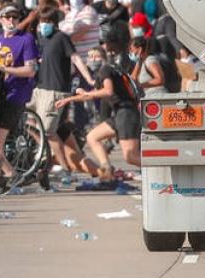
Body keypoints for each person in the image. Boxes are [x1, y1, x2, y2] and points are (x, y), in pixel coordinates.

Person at [55, 45, 141, 181]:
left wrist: (75, 97)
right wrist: (76, 96)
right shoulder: (113, 70)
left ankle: (161, 168)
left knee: (130, 157)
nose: (92, 59)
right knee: (92, 137)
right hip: (122, 113)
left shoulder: (105, 69)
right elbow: (91, 94)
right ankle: (107, 172)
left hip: (126, 113)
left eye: (96, 56)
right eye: (90, 56)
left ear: (104, 57)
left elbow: (108, 91)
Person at [32, 7, 93, 186]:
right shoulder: (43, 39)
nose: (44, 25)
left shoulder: (61, 38)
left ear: (55, 23)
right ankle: (47, 158)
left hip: (55, 90)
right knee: (32, 124)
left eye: (48, 22)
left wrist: (88, 78)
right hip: (40, 89)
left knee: (49, 131)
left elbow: (75, 59)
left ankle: (64, 169)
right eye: (42, 22)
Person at [0, 5, 38, 189]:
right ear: (0, 19)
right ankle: (11, 174)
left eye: (15, 17)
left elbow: (31, 70)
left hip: (16, 94)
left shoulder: (26, 39)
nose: (11, 21)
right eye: (7, 17)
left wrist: (6, 69)